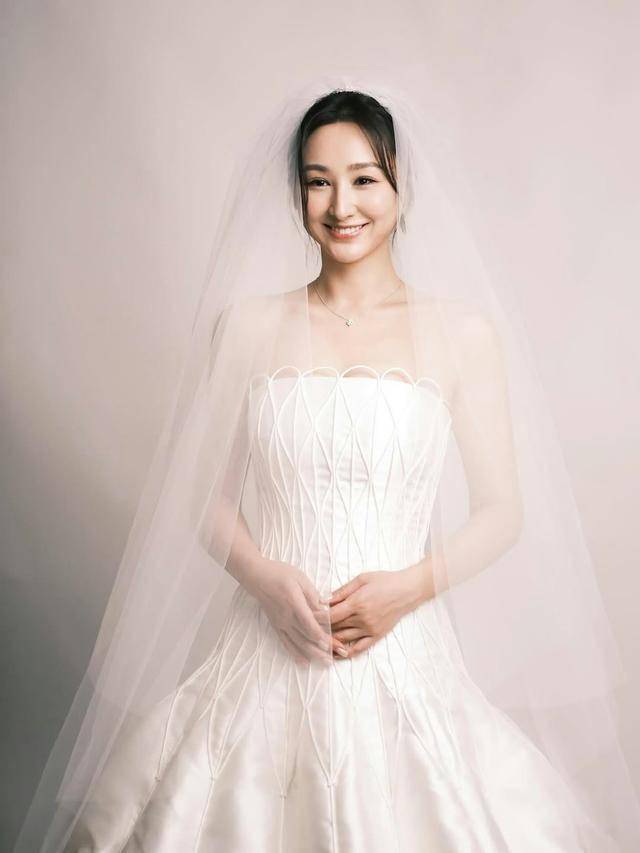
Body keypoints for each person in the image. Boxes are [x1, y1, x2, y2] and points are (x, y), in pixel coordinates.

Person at [13, 78, 640, 852]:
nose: (342, 205)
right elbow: (205, 499)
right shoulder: (246, 327)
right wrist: (268, 581)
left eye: (364, 179)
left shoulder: (461, 334)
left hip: (403, 648)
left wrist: (406, 589)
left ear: (401, 188)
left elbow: (501, 511)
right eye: (318, 182)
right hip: (265, 646)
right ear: (297, 195)